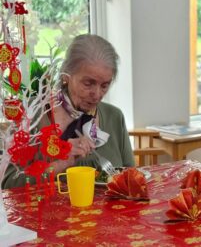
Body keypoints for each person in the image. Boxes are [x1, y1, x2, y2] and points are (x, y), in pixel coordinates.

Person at [2, 34, 134, 188]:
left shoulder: (114, 117)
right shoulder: (32, 114)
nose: (97, 94)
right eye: (88, 83)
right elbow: (9, 184)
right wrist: (62, 162)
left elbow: (131, 178)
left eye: (104, 85)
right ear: (66, 76)